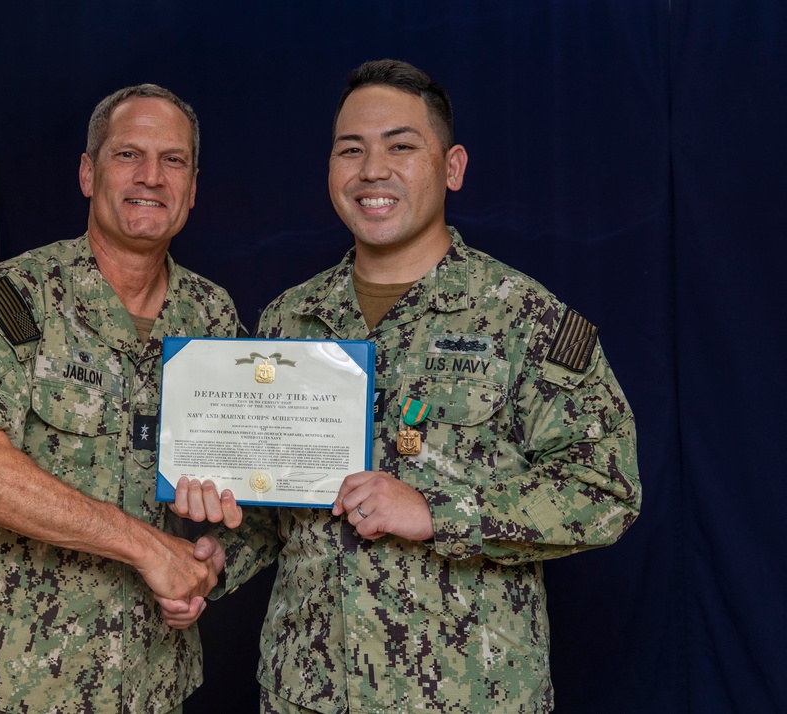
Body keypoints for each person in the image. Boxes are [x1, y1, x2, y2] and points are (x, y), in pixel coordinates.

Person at [169, 59, 641, 712]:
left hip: (470, 696)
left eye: (401, 146)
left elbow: (606, 488)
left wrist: (435, 512)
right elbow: (276, 509)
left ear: (452, 168)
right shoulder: (287, 321)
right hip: (310, 692)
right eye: (351, 150)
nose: (372, 170)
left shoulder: (523, 318)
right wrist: (208, 560)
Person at [0, 84, 244, 714]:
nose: (151, 176)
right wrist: (149, 548)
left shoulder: (213, 316)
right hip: (9, 679)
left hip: (149, 681)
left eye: (173, 160)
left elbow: (243, 479)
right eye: (127, 155)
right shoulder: (11, 299)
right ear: (89, 173)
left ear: (193, 188)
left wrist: (209, 559)